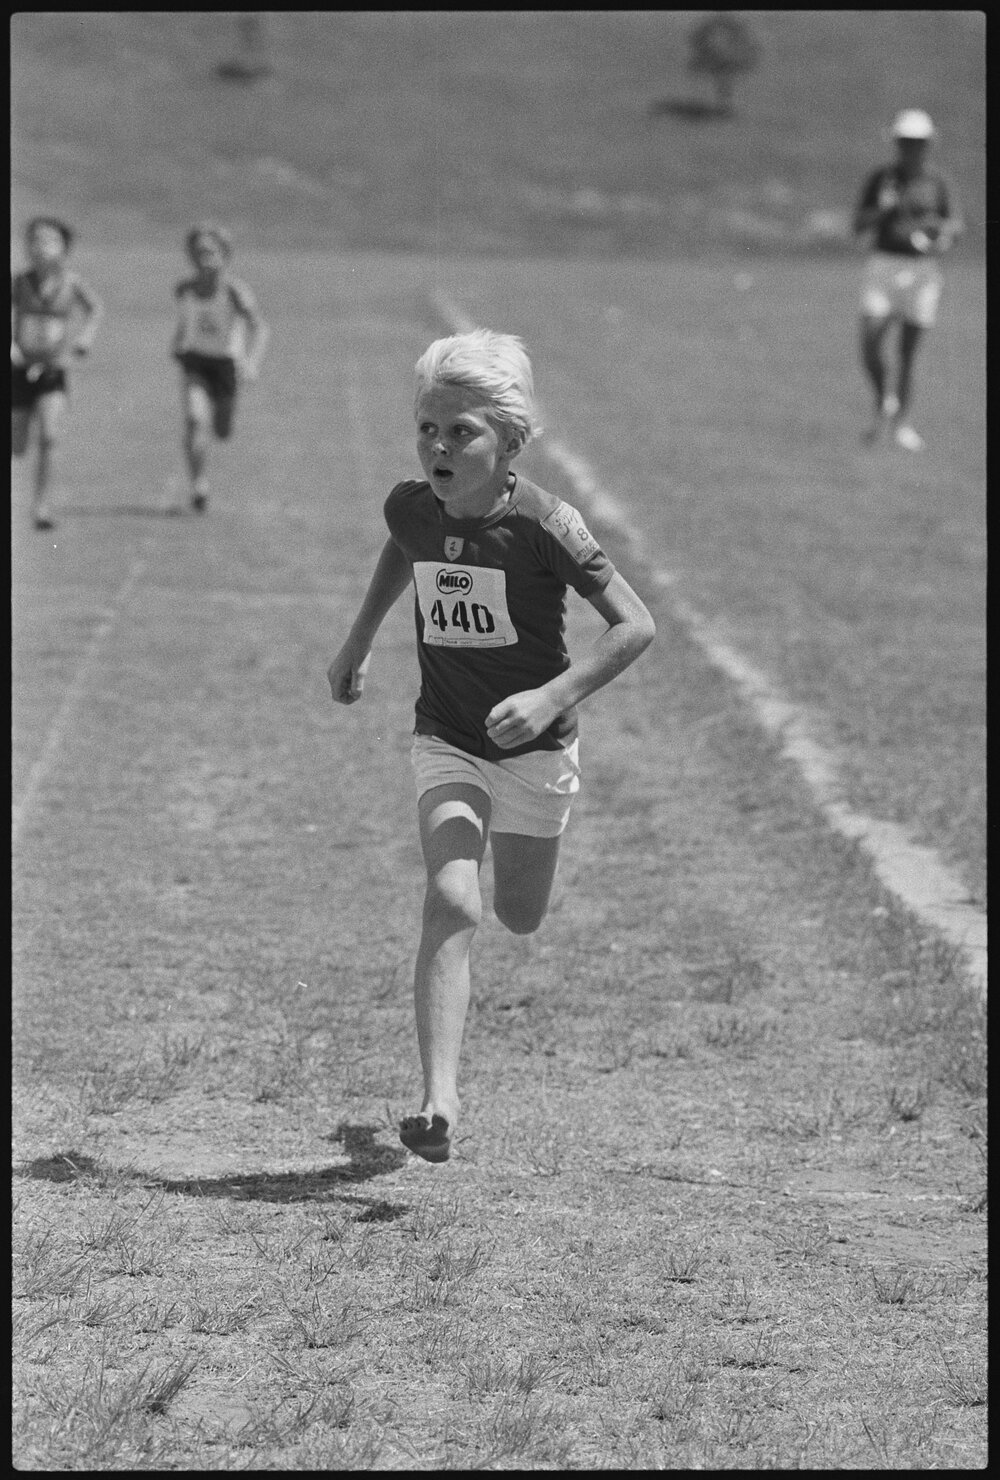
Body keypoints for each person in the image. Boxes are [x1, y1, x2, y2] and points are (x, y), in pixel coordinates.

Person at [327, 329, 656, 1163]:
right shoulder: (411, 504)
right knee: (454, 899)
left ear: (511, 442)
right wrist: (359, 641)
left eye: (462, 432)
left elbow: (636, 624)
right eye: (428, 430)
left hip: (537, 753)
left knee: (517, 913)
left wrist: (552, 696)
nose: (439, 447)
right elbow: (402, 549)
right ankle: (438, 1101)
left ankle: (520, 875)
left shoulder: (547, 524)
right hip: (447, 738)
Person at [853, 108, 963, 452]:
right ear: (896, 143)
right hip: (884, 264)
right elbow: (858, 225)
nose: (910, 148)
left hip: (922, 270)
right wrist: (884, 208)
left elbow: (955, 225)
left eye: (917, 142)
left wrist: (941, 232)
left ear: (927, 144)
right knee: (871, 340)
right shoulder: (881, 179)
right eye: (904, 142)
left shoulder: (938, 181)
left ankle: (901, 424)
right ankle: (882, 399)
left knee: (908, 354)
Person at [11, 216, 103, 531]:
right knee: (17, 444)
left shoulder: (71, 283)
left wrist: (85, 337)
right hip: (19, 370)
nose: (41, 247)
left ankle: (41, 507)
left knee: (49, 437)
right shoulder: (19, 282)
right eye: (34, 240)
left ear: (64, 249)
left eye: (50, 241)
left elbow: (95, 309)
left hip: (53, 370)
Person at [170, 223, 268, 512]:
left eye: (212, 251)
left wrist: (251, 361)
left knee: (222, 430)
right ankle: (198, 484)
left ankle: (219, 426)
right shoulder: (184, 289)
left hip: (226, 365)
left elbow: (259, 327)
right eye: (199, 251)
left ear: (224, 255)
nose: (205, 257)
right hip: (196, 361)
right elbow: (187, 319)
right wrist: (178, 341)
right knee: (194, 418)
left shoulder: (234, 290)